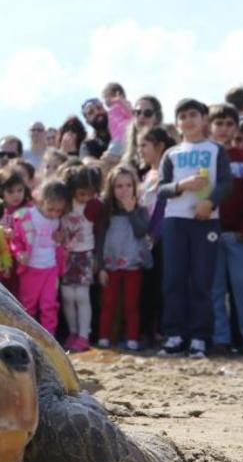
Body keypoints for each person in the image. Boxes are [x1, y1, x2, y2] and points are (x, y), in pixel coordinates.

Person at [155, 99, 231, 357]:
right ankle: (174, 335)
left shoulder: (215, 150)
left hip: (205, 221)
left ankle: (200, 337)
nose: (188, 120)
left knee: (202, 281)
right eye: (183, 116)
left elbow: (225, 183)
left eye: (193, 115)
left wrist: (209, 203)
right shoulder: (171, 153)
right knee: (174, 280)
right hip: (175, 221)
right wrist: (182, 185)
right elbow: (161, 189)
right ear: (177, 122)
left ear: (203, 119)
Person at [207, 104, 243, 356]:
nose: (223, 129)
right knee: (215, 291)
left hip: (239, 235)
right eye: (218, 123)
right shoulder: (206, 156)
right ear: (210, 125)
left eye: (229, 124)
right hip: (210, 233)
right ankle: (220, 338)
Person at [96, 165, 150, 350]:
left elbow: (141, 231)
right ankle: (104, 337)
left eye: (128, 185)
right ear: (111, 189)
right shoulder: (106, 211)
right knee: (108, 304)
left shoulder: (141, 210)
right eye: (119, 186)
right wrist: (100, 266)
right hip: (110, 265)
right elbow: (100, 238)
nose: (124, 190)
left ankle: (132, 338)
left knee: (131, 305)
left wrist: (131, 211)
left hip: (133, 265)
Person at [9, 179, 70, 335]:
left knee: (49, 304)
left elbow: (60, 242)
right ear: (40, 201)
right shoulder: (25, 216)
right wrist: (19, 253)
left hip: (51, 269)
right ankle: (28, 336)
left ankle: (50, 337)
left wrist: (60, 240)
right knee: (28, 306)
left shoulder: (59, 220)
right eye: (51, 209)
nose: (54, 214)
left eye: (59, 211)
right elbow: (15, 240)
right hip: (30, 268)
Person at [59, 162, 102, 352]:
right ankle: (73, 332)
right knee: (67, 295)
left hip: (85, 253)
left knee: (82, 295)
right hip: (67, 254)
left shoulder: (94, 205)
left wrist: (98, 259)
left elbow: (101, 230)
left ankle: (84, 335)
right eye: (82, 193)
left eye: (89, 193)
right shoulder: (65, 204)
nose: (85, 198)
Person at [136, 126, 173, 347]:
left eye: (145, 145)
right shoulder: (146, 175)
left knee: (161, 285)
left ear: (159, 146)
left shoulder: (166, 174)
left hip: (161, 237)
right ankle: (147, 330)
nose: (140, 150)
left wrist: (155, 233)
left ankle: (160, 329)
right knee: (147, 286)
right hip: (145, 238)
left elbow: (162, 206)